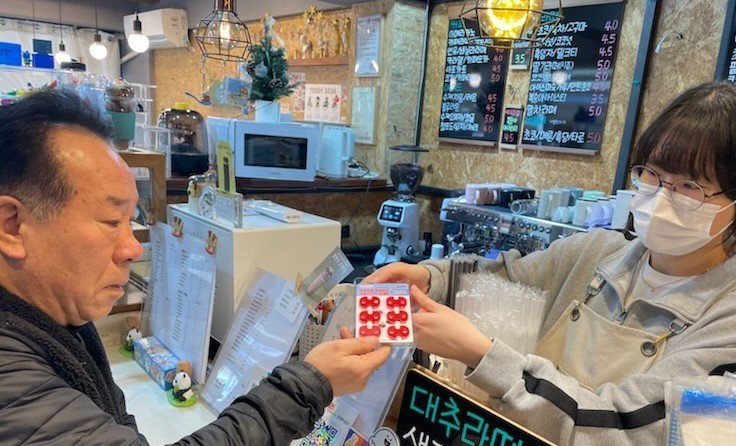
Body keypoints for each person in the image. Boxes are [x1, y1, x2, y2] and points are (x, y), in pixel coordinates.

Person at [0, 89, 391, 445]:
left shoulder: (56, 323)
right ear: (12, 226)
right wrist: (309, 384)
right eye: (110, 221)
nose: (132, 248)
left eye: (130, 220)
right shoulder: (13, 380)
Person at [365, 81, 736, 445]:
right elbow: (505, 276)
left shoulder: (726, 322)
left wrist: (482, 356)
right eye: (652, 175)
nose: (661, 198)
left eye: (689, 187)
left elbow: (626, 429)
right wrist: (431, 278)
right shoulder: (597, 251)